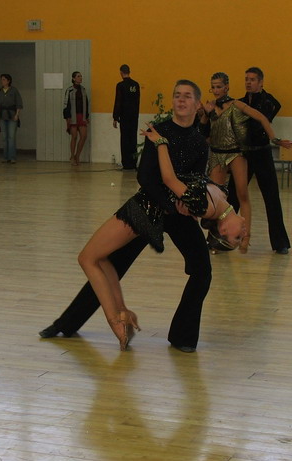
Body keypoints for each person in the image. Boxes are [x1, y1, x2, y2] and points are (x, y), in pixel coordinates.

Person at [39, 80, 217, 353]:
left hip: (178, 212)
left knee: (202, 270)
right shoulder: (159, 131)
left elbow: (195, 181)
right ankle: (66, 323)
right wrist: (171, 204)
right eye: (177, 95)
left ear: (197, 104)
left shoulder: (198, 142)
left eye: (187, 96)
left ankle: (183, 336)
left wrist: (188, 204)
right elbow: (145, 176)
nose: (181, 100)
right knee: (110, 263)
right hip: (148, 207)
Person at [78, 120, 246, 351]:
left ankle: (115, 319)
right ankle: (121, 312)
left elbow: (169, 179)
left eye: (237, 239)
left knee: (88, 258)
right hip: (148, 206)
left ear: (224, 230)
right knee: (103, 258)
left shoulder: (203, 206)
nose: (243, 235)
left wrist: (161, 142)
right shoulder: (222, 195)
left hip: (145, 209)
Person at [199, 72, 284, 253]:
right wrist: (205, 114)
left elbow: (261, 117)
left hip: (237, 154)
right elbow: (203, 133)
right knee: (217, 200)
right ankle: (217, 240)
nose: (216, 90)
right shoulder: (211, 106)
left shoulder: (237, 104)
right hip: (217, 154)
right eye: (213, 87)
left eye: (219, 86)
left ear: (227, 87)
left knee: (243, 195)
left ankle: (246, 238)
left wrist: (274, 139)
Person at [226, 67, 291, 255]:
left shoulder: (269, 102)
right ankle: (221, 238)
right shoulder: (240, 102)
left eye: (252, 79)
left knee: (271, 197)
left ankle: (280, 242)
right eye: (246, 79)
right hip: (243, 155)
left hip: (262, 154)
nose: (248, 82)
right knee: (232, 197)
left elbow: (257, 124)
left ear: (261, 82)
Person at [113, 64, 141, 170]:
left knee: (125, 140)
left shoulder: (120, 85)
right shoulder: (136, 85)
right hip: (134, 116)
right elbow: (137, 101)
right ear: (129, 71)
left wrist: (115, 117)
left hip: (124, 117)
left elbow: (118, 101)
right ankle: (133, 162)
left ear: (121, 73)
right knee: (133, 139)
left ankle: (126, 164)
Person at [0, 73, 23, 164]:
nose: (2, 81)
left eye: (4, 80)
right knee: (4, 137)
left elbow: (19, 104)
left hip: (12, 115)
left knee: (11, 137)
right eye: (1, 80)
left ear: (8, 81)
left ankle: (12, 157)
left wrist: (17, 115)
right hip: (2, 115)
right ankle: (5, 157)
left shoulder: (14, 91)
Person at [63, 71, 89, 166]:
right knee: (74, 137)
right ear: (73, 78)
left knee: (84, 136)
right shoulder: (69, 90)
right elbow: (66, 104)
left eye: (81, 76)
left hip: (82, 115)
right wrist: (67, 117)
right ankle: (72, 157)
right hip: (72, 116)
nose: (80, 78)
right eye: (78, 76)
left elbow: (86, 103)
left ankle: (77, 155)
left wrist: (86, 116)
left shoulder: (83, 90)